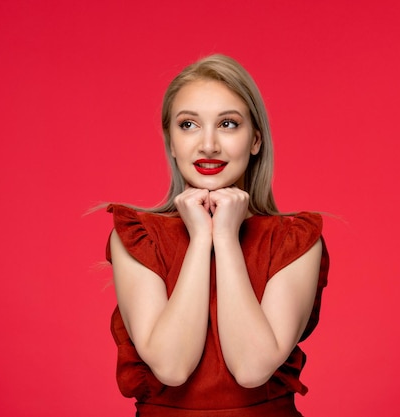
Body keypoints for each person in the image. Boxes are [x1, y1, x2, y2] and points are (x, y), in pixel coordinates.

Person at [104, 54, 330, 417]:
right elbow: (172, 367)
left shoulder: (296, 240)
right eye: (189, 124)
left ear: (255, 140)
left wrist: (225, 237)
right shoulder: (138, 236)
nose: (208, 145)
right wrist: (199, 240)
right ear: (171, 142)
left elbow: (252, 368)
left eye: (228, 123)